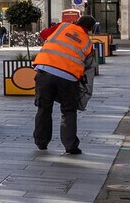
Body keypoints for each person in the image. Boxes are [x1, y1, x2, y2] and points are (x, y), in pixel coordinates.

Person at [33, 13, 96, 155]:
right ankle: (70, 145)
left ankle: (41, 143)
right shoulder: (88, 43)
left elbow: (43, 35)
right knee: (68, 110)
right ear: (90, 29)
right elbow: (89, 68)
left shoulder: (61, 27)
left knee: (43, 108)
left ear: (77, 21)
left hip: (45, 71)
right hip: (68, 77)